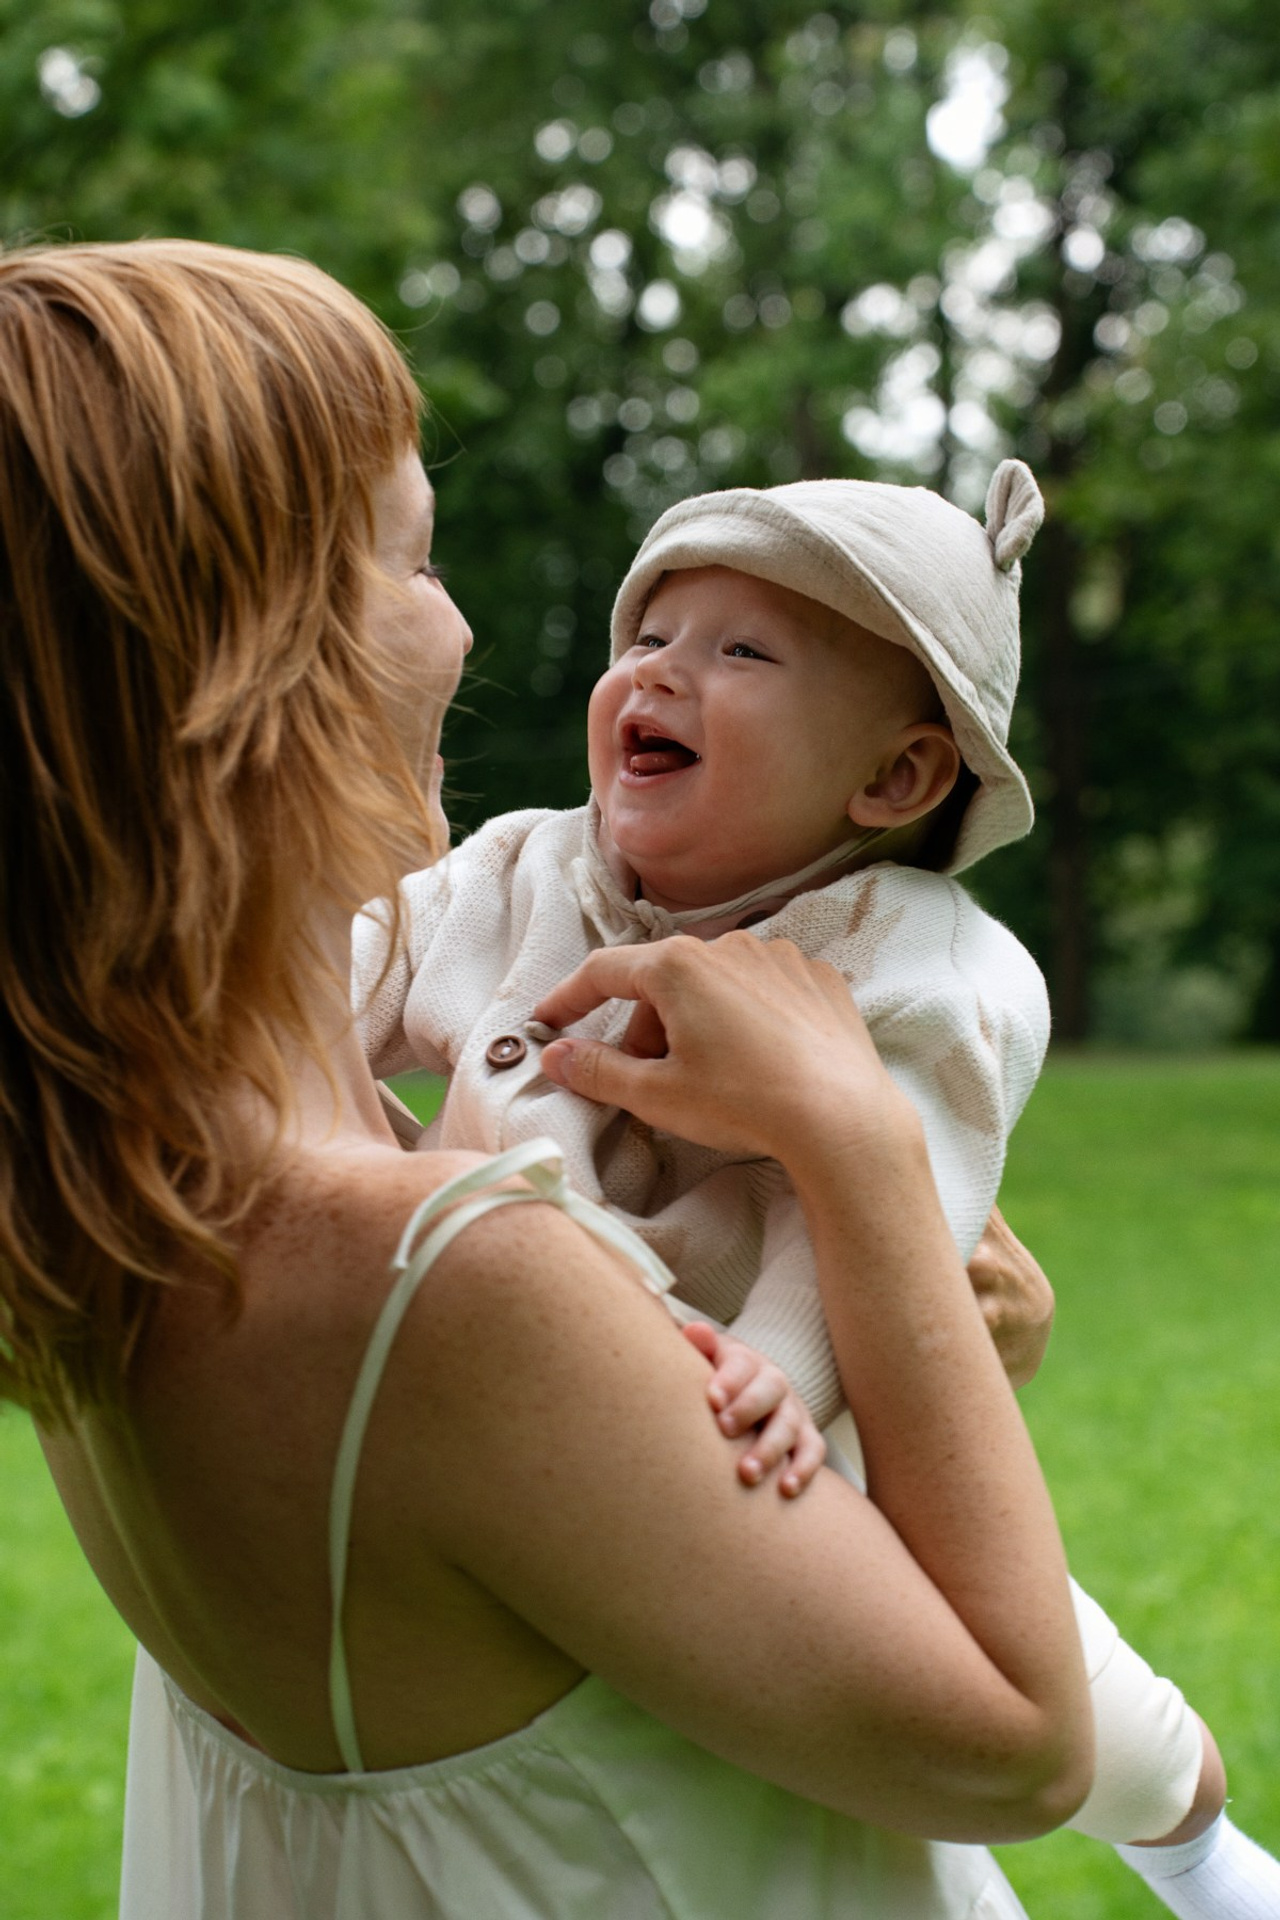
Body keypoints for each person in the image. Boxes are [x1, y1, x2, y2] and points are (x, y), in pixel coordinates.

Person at [0, 237, 1091, 1919]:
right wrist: (864, 1163)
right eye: (414, 562)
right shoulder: (453, 1282)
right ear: (251, 655)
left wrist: (906, 1318)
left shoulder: (118, 1165)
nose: (464, 627)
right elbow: (1019, 1744)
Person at [356, 471, 1280, 1918]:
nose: (660, 668)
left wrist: (776, 1369)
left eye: (741, 651)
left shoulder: (914, 966)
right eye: (649, 633)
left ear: (895, 780)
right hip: (544, 1366)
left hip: (804, 1432)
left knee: (1088, 1711)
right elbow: (378, 955)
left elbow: (875, 1202)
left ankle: (1203, 1854)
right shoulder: (528, 866)